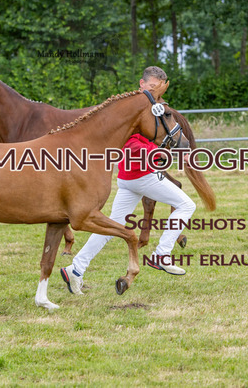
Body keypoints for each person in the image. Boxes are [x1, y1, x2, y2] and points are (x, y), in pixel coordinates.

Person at [60, 66, 195, 294]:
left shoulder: (149, 106)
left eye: (158, 88)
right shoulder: (133, 108)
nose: (155, 92)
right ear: (142, 84)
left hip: (129, 177)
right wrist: (156, 152)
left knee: (111, 225)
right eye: (151, 87)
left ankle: (75, 268)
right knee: (186, 205)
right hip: (141, 174)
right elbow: (129, 143)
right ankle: (162, 255)